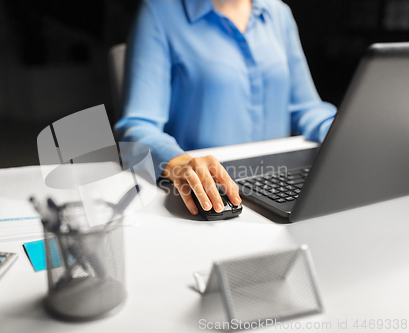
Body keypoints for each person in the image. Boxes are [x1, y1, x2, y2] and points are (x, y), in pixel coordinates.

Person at [114, 0, 336, 216]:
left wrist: (349, 131)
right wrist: (180, 163)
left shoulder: (278, 12)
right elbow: (136, 128)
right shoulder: (159, 12)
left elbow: (307, 108)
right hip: (208, 193)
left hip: (278, 184)